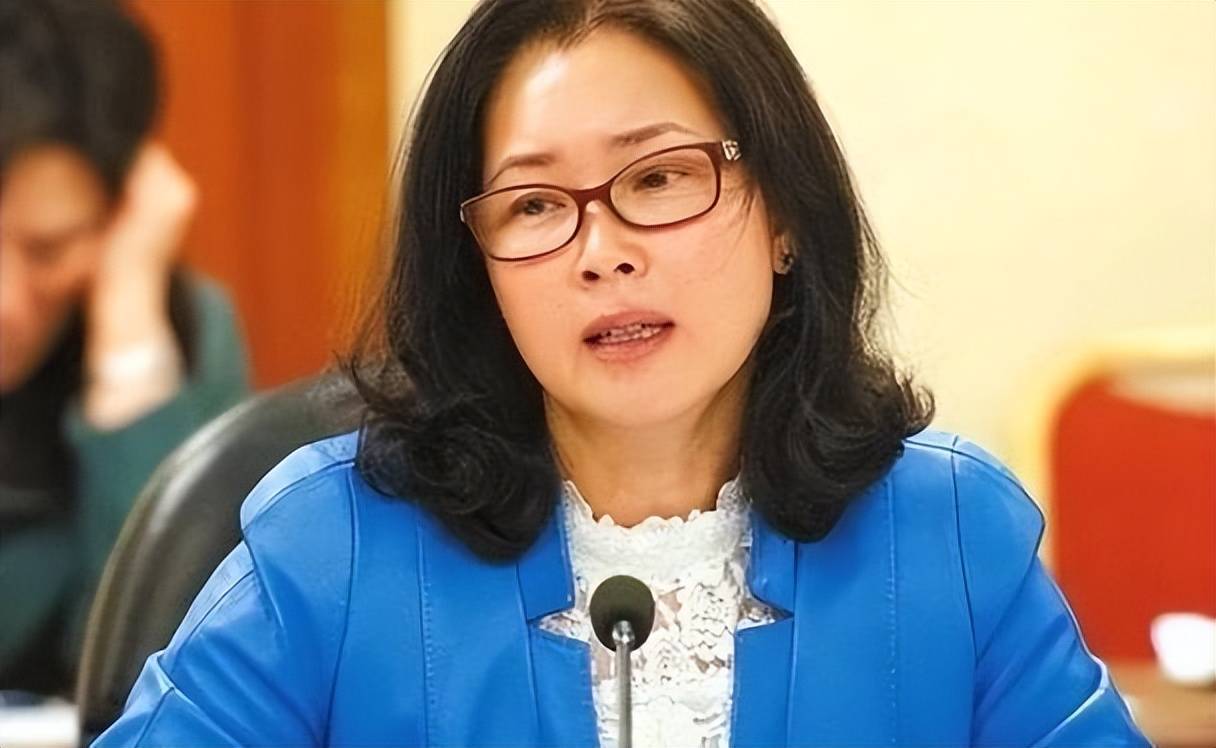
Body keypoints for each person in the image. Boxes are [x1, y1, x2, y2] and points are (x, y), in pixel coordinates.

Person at [94, 0, 1149, 745]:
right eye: (534, 204)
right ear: (479, 270)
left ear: (785, 214)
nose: (601, 252)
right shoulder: (330, 546)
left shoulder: (952, 535)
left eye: (658, 178)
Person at [0, 0, 249, 695]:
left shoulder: (180, 331)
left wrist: (132, 360)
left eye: (48, 249)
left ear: (120, 212)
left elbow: (178, 674)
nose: (5, 301)